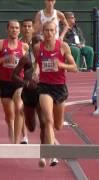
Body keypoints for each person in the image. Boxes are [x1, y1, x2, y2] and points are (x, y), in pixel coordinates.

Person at [33, 21, 77, 166]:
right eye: (46, 30)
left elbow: (74, 68)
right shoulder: (38, 48)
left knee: (58, 125)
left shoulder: (63, 47)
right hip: (44, 87)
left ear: (55, 31)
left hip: (59, 88)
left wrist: (61, 65)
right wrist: (35, 72)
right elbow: (37, 65)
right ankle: (52, 155)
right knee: (48, 121)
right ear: (43, 32)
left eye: (51, 30)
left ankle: (51, 146)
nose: (49, 33)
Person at [0, 19, 29, 144]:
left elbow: (29, 66)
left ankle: (22, 138)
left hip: (18, 82)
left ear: (19, 30)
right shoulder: (1, 44)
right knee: (9, 115)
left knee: (19, 107)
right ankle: (13, 139)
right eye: (12, 27)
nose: (14, 30)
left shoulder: (24, 46)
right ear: (7, 29)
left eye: (17, 28)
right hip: (5, 83)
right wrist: (4, 58)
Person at [12, 34, 46, 146]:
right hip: (29, 93)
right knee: (31, 127)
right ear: (31, 44)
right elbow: (14, 75)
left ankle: (45, 152)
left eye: (40, 41)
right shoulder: (26, 58)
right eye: (36, 41)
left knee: (44, 123)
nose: (38, 44)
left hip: (43, 92)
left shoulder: (48, 57)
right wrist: (25, 83)